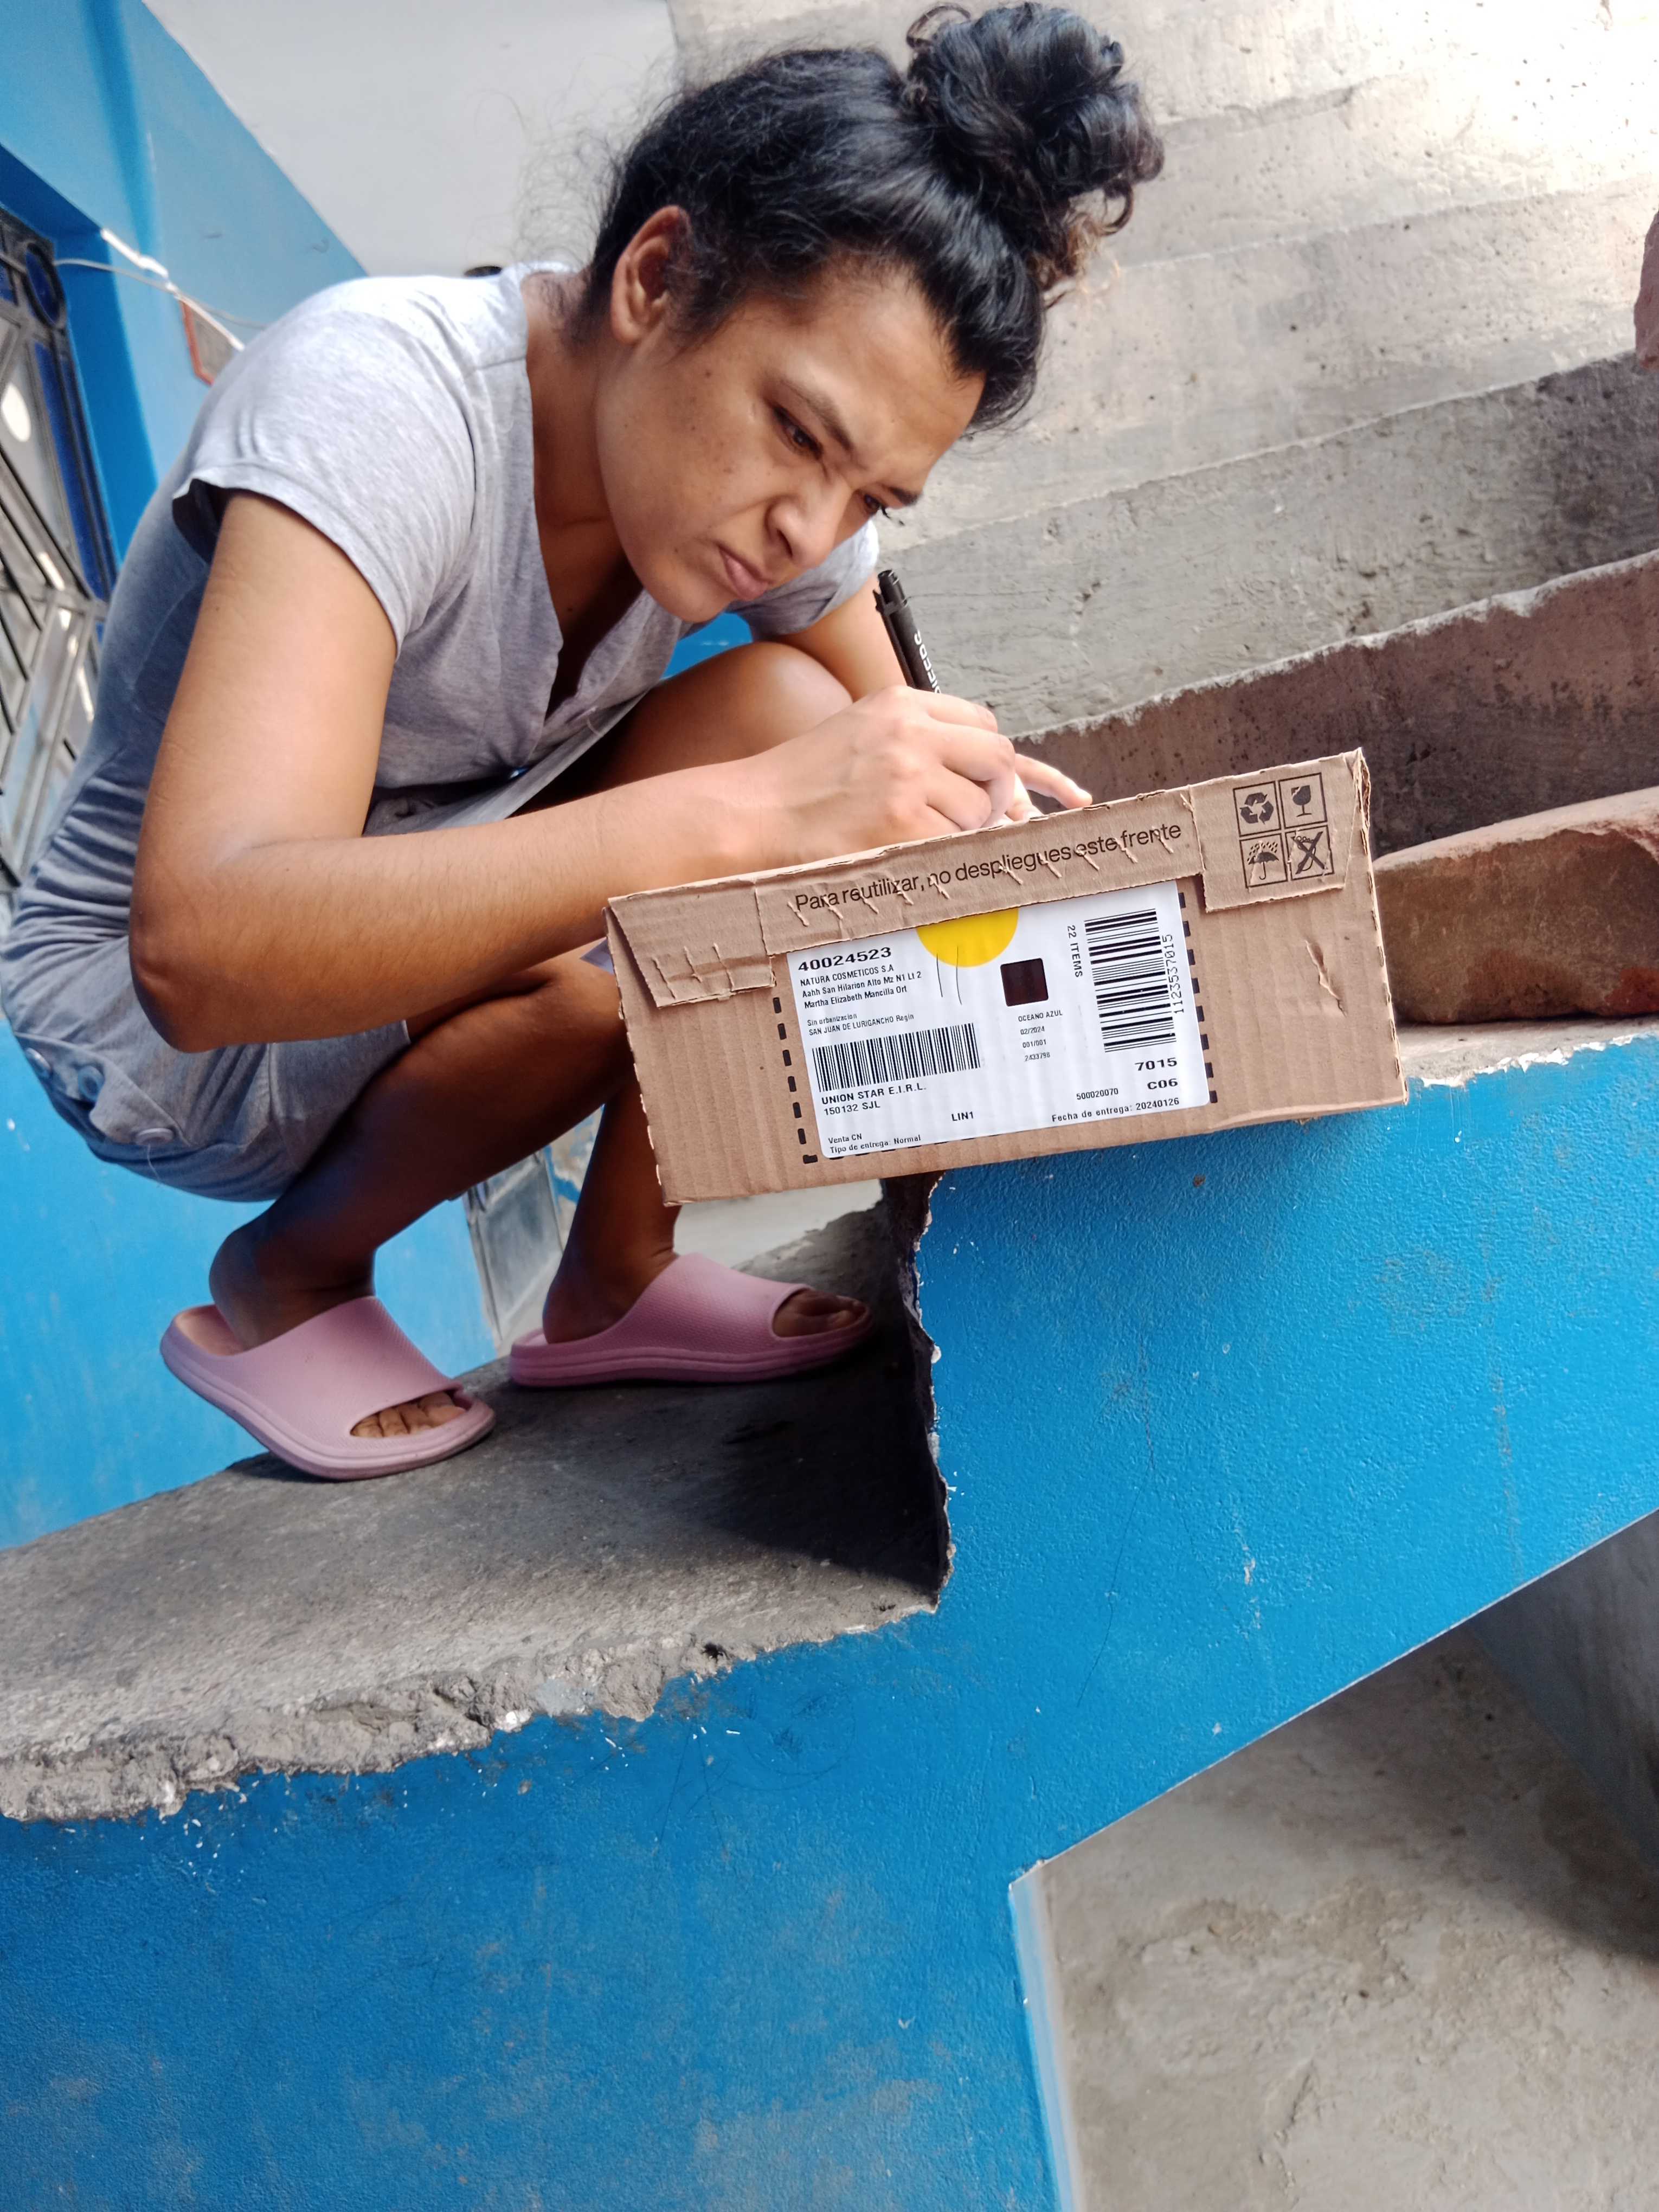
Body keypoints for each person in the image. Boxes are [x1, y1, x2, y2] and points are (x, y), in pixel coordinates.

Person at [0, 3, 1162, 1477]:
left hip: (411, 920)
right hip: (153, 1030)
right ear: (655, 278)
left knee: (809, 725)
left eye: (872, 496)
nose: (810, 527)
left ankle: (614, 1274)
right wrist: (740, 822)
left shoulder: (749, 484)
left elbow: (906, 760)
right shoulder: (376, 404)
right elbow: (202, 953)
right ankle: (288, 1275)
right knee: (622, 962)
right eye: (799, 434)